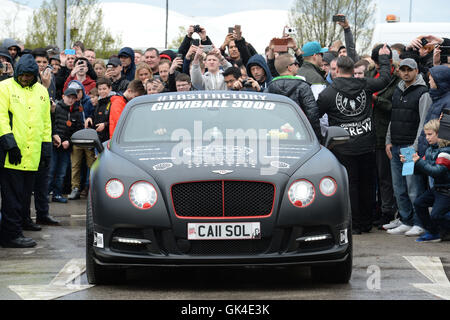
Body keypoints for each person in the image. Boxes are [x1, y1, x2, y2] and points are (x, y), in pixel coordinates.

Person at [317, 45, 392, 235]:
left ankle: (354, 223)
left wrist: (319, 139)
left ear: (337, 71)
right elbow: (384, 79)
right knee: (367, 184)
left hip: (343, 147)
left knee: (350, 186)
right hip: (367, 144)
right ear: (352, 70)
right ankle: (365, 223)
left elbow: (314, 115)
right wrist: (384, 59)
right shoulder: (364, 85)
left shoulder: (328, 93)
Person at [0, 54, 52, 248]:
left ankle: (21, 223)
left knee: (24, 194)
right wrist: (9, 143)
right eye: (22, 75)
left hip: (33, 153)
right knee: (11, 197)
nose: (25, 79)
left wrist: (46, 148)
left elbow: (45, 122)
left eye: (29, 76)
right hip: (11, 153)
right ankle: (10, 235)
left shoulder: (41, 91)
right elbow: (1, 117)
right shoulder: (4, 87)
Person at [385, 58, 432, 236]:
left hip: (409, 148)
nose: (406, 73)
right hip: (396, 145)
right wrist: (388, 140)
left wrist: (414, 147)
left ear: (416, 71)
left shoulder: (422, 93)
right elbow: (393, 118)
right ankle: (406, 219)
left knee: (414, 188)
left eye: (409, 69)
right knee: (399, 188)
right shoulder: (397, 90)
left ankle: (420, 222)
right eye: (403, 69)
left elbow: (423, 122)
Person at [365, 44, 400, 230]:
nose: (379, 67)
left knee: (385, 177)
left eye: (381, 64)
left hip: (385, 135)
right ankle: (375, 209)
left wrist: (376, 100)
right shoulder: (370, 76)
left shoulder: (396, 79)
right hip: (368, 133)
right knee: (373, 178)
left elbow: (395, 107)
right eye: (376, 64)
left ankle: (388, 211)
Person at [407, 119, 450, 242]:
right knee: (419, 203)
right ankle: (433, 232)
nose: (427, 138)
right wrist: (410, 163)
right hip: (438, 188)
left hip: (447, 190)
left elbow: (436, 172)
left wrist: (418, 161)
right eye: (426, 134)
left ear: (439, 134)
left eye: (430, 134)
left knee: (436, 215)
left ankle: (440, 231)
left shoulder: (446, 151)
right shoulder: (430, 149)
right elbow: (423, 170)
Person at [266, 53, 322, 141]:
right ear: (289, 67)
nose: (298, 66)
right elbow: (312, 114)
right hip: (301, 136)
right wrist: (317, 138)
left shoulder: (269, 88)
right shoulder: (303, 86)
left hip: (276, 136)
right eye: (296, 63)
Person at [48, 87, 84, 204]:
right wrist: (54, 135)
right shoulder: (56, 108)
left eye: (73, 98)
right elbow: (49, 124)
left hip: (66, 146)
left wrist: (69, 141)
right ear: (63, 97)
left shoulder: (77, 112)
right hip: (54, 144)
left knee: (61, 172)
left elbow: (78, 130)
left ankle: (57, 194)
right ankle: (45, 194)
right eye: (69, 97)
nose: (71, 100)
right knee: (51, 170)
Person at [417, 65, 450, 158]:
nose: (429, 81)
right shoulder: (437, 99)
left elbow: (445, 137)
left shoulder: (448, 102)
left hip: (435, 156)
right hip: (428, 152)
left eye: (431, 79)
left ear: (439, 81)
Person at [86, 77, 114, 143]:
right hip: (98, 138)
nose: (102, 91)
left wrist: (105, 124)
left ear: (110, 88)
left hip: (109, 139)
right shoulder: (99, 102)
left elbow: (116, 120)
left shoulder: (114, 101)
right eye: (100, 89)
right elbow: (95, 115)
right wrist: (90, 118)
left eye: (104, 89)